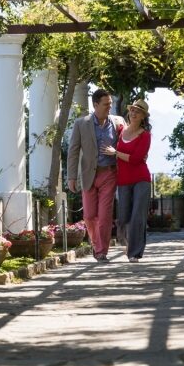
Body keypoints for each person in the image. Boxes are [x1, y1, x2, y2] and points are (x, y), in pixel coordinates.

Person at [67, 88, 125, 262]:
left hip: (109, 173)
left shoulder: (118, 122)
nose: (109, 107)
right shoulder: (81, 123)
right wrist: (71, 177)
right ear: (95, 105)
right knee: (90, 216)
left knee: (105, 215)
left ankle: (101, 251)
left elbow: (127, 143)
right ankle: (95, 242)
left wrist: (116, 152)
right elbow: (73, 151)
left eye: (110, 104)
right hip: (88, 175)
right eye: (106, 104)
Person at [103, 98, 152, 263]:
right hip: (123, 180)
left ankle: (135, 253)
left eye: (137, 111)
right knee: (123, 217)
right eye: (132, 110)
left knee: (138, 216)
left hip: (141, 179)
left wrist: (115, 153)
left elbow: (136, 159)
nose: (133, 113)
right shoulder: (121, 130)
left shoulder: (145, 136)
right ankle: (128, 244)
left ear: (143, 116)